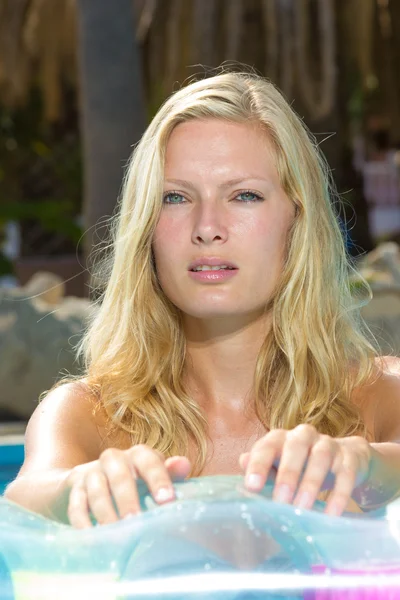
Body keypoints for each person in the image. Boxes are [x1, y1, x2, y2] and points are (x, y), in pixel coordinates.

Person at [5, 70, 400, 529]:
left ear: (298, 219)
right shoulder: (86, 417)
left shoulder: (380, 396)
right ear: (146, 228)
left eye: (244, 195)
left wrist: (371, 468)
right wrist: (74, 491)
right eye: (175, 197)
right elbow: (25, 495)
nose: (207, 226)